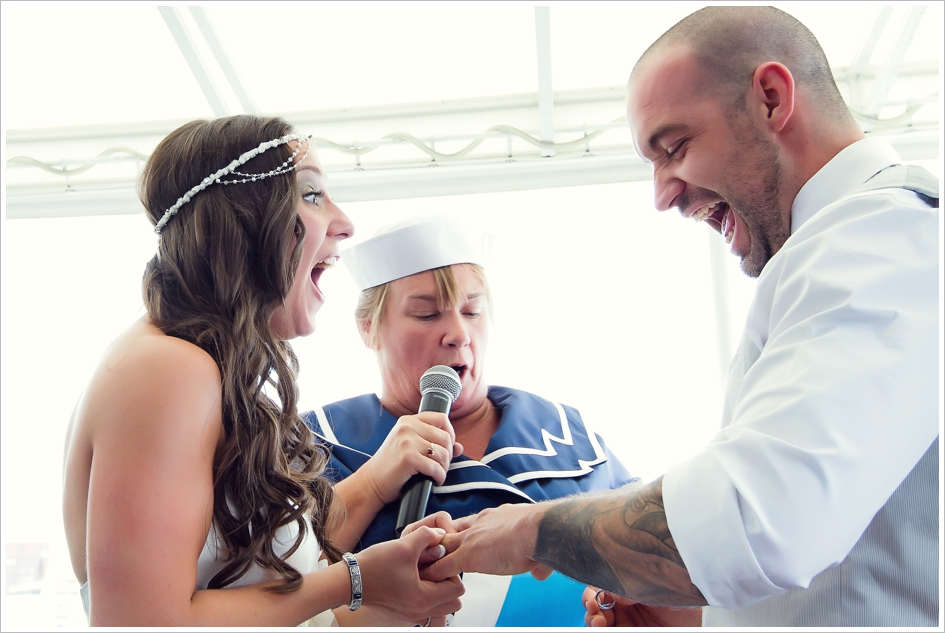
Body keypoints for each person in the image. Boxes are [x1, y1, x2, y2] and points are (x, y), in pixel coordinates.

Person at [423, 6, 939, 628]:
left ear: (772, 99)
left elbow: (761, 518)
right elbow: (846, 545)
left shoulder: (886, 237)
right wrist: (692, 614)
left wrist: (532, 528)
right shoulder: (838, 250)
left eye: (675, 148)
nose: (663, 194)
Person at [61, 115, 463, 627]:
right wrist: (356, 580)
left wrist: (379, 481)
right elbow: (141, 621)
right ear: (245, 220)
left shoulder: (194, 364)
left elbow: (258, 566)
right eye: (312, 195)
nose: (344, 222)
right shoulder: (166, 370)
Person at [302, 215, 638, 626]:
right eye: (427, 315)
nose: (458, 333)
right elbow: (271, 584)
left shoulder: (567, 433)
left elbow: (652, 556)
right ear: (368, 327)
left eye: (473, 311)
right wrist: (373, 482)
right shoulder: (313, 441)